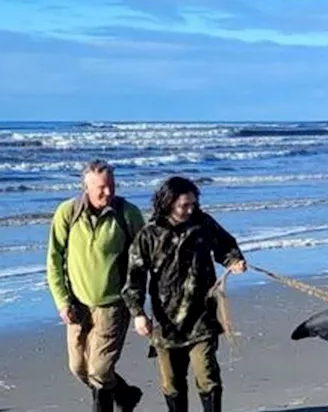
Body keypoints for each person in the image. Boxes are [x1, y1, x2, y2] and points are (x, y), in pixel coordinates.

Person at [123, 175, 247, 412]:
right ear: (168, 203)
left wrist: (234, 261)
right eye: (184, 205)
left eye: (193, 204)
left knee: (207, 374)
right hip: (165, 322)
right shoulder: (149, 234)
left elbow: (226, 245)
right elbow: (134, 277)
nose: (190, 210)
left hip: (202, 316)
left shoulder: (203, 224)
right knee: (172, 383)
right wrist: (138, 313)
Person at [45, 159, 147, 412]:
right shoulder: (67, 212)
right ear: (86, 187)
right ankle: (125, 394)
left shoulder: (128, 214)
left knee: (99, 370)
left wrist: (139, 307)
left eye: (112, 186)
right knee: (78, 368)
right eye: (102, 187)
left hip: (113, 305)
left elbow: (145, 258)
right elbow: (54, 259)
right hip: (77, 305)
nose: (108, 192)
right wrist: (61, 301)